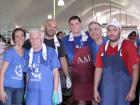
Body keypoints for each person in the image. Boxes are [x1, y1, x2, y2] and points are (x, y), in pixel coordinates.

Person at [94, 19, 139, 105]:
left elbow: (135, 68)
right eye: (109, 30)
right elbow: (98, 69)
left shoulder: (128, 45)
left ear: (120, 31)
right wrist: (95, 89)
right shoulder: (103, 48)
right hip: (106, 91)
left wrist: (133, 90)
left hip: (123, 91)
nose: (112, 33)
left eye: (115, 30)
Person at [23, 19, 72, 90]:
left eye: (54, 27)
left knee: (53, 99)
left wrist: (67, 77)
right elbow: (21, 50)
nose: (52, 28)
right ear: (44, 26)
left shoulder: (59, 42)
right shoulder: (35, 39)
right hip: (35, 78)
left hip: (53, 78)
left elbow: (62, 59)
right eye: (50, 26)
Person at [63, 16, 95, 105]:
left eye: (76, 23)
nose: (74, 26)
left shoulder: (89, 35)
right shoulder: (65, 40)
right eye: (72, 24)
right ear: (69, 26)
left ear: (80, 24)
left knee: (95, 97)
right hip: (77, 74)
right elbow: (62, 57)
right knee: (81, 99)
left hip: (92, 72)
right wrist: (67, 76)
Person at [24, 29, 61, 105]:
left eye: (37, 38)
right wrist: (26, 90)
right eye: (32, 39)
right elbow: (28, 74)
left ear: (42, 39)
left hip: (47, 93)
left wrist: (55, 91)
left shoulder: (50, 51)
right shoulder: (28, 54)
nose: (34, 41)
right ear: (29, 40)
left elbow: (55, 72)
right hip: (32, 94)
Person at [0, 28, 26, 105]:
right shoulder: (9, 52)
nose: (20, 38)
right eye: (17, 36)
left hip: (20, 87)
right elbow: (2, 72)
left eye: (22, 35)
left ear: (25, 37)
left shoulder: (27, 52)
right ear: (14, 39)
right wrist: (1, 90)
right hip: (7, 87)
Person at [128, 31, 140, 105]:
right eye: (131, 38)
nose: (132, 39)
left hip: (137, 70)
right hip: (129, 72)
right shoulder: (126, 46)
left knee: (136, 88)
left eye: (134, 37)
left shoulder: (138, 45)